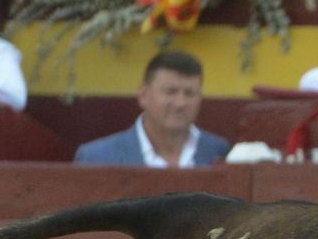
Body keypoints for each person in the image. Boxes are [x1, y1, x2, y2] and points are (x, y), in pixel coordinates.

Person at [75, 51, 232, 165]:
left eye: (190, 93)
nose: (180, 103)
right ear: (143, 95)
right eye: (170, 92)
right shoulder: (97, 158)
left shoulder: (220, 153)